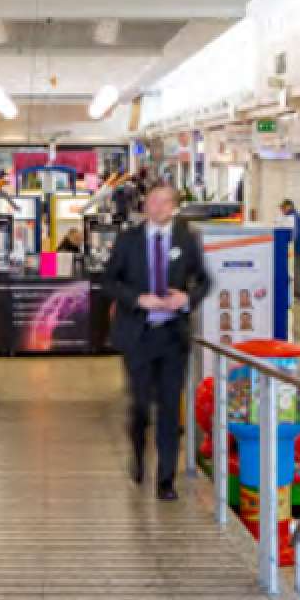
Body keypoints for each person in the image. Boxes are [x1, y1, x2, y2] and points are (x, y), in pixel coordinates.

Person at [103, 184, 211, 501]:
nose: (157, 206)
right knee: (140, 406)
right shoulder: (128, 240)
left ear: (174, 207)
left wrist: (186, 299)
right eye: (152, 200)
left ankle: (166, 479)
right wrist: (137, 299)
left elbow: (204, 280)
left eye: (164, 202)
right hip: (138, 336)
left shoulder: (185, 240)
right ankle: (138, 454)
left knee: (168, 408)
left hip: (172, 338)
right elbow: (109, 282)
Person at [280, 199, 300, 300]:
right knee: (297, 269)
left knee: (297, 269)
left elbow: (294, 232)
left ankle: (298, 294)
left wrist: (289, 242)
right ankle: (298, 292)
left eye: (283, 208)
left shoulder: (293, 216)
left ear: (288, 206)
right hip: (298, 246)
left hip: (297, 247)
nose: (282, 210)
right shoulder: (294, 214)